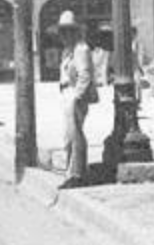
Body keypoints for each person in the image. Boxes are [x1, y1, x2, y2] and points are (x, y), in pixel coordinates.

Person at [57, 10, 96, 190]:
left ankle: (76, 174)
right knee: (68, 135)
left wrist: (77, 97)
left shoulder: (81, 49)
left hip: (74, 94)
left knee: (74, 135)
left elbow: (85, 75)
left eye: (69, 30)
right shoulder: (68, 51)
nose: (65, 35)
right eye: (63, 31)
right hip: (66, 93)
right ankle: (73, 171)